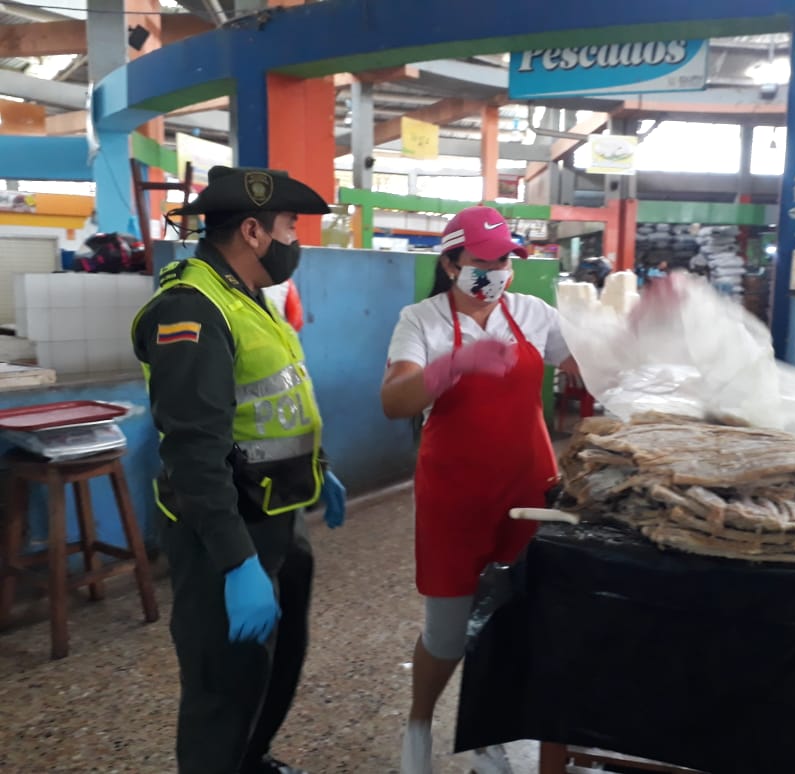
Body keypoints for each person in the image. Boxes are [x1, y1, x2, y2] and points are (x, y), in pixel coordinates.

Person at [132, 165, 347, 774]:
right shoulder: (191, 310)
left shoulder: (247, 297)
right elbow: (194, 454)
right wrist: (236, 563)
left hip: (279, 512)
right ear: (253, 231)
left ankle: (251, 760)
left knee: (274, 665)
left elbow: (275, 399)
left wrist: (317, 467)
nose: (295, 241)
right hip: (226, 534)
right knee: (222, 690)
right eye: (290, 226)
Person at [380, 205, 578, 774]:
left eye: (505, 262)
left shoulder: (533, 313)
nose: (496, 273)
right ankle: (419, 723)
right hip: (455, 495)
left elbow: (589, 367)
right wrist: (455, 364)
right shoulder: (421, 321)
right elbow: (394, 401)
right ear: (451, 264)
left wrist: (637, 336)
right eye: (483, 263)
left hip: (529, 489)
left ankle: (490, 734)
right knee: (447, 633)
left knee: (511, 623)